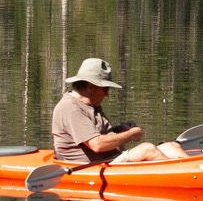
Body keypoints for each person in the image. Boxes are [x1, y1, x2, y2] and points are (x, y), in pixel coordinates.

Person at [52, 57, 188, 163]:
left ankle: (193, 173)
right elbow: (96, 144)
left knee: (172, 147)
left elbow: (98, 134)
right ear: (90, 86)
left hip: (111, 159)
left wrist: (120, 129)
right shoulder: (71, 108)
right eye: (105, 89)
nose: (107, 94)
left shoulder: (90, 102)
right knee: (147, 149)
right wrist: (131, 135)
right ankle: (183, 179)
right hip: (95, 165)